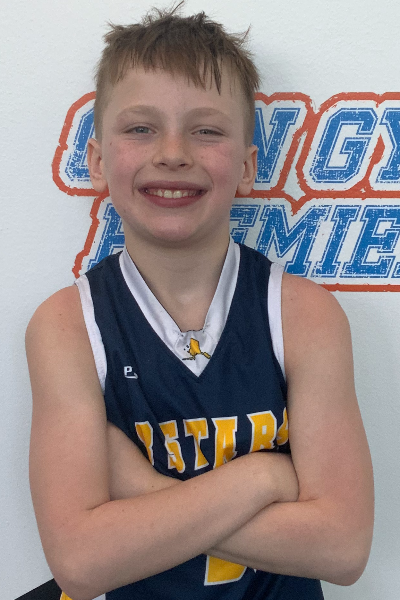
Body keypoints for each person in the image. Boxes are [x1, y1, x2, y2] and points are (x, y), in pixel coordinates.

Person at [26, 5, 374, 600]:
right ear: (98, 161)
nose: (173, 152)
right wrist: (264, 476)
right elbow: (80, 563)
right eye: (141, 128)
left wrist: (140, 488)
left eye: (206, 130)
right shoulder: (66, 325)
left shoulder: (303, 315)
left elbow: (342, 547)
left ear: (247, 167)